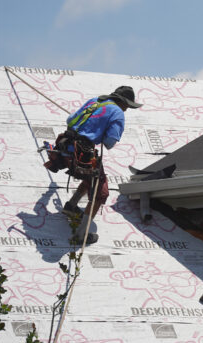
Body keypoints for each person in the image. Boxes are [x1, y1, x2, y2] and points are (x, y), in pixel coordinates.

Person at [60, 86, 142, 244]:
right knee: (100, 193)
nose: (126, 110)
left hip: (65, 147)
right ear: (123, 102)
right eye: (127, 106)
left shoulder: (95, 101)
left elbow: (70, 120)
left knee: (92, 177)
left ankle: (71, 206)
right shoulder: (117, 112)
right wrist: (102, 132)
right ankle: (80, 235)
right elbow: (109, 142)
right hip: (82, 154)